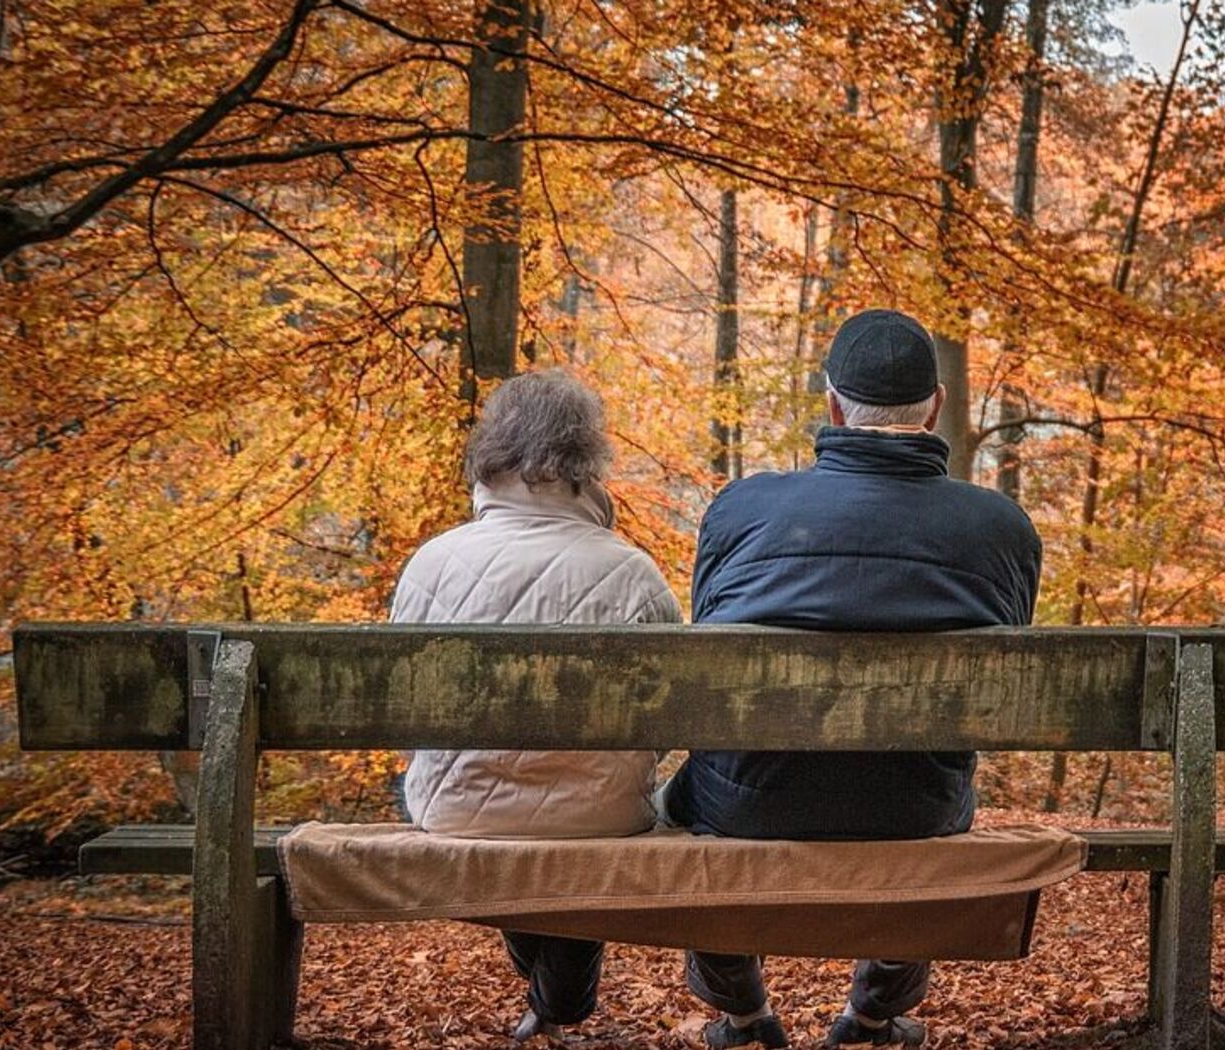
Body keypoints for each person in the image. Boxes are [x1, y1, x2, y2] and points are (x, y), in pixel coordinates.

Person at [662, 308, 1044, 1049]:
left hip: (748, 803)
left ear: (832, 405)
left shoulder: (741, 509)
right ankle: (873, 1016)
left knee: (696, 790)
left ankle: (743, 1016)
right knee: (923, 787)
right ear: (934, 408)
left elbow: (710, 642)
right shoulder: (1000, 529)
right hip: (915, 805)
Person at [393, 370, 682, 1043]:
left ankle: (555, 1000)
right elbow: (670, 716)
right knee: (576, 821)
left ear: (491, 456)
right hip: (601, 813)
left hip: (453, 809)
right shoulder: (631, 571)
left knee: (521, 825)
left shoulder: (429, 564)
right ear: (588, 464)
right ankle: (562, 1001)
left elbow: (407, 715)